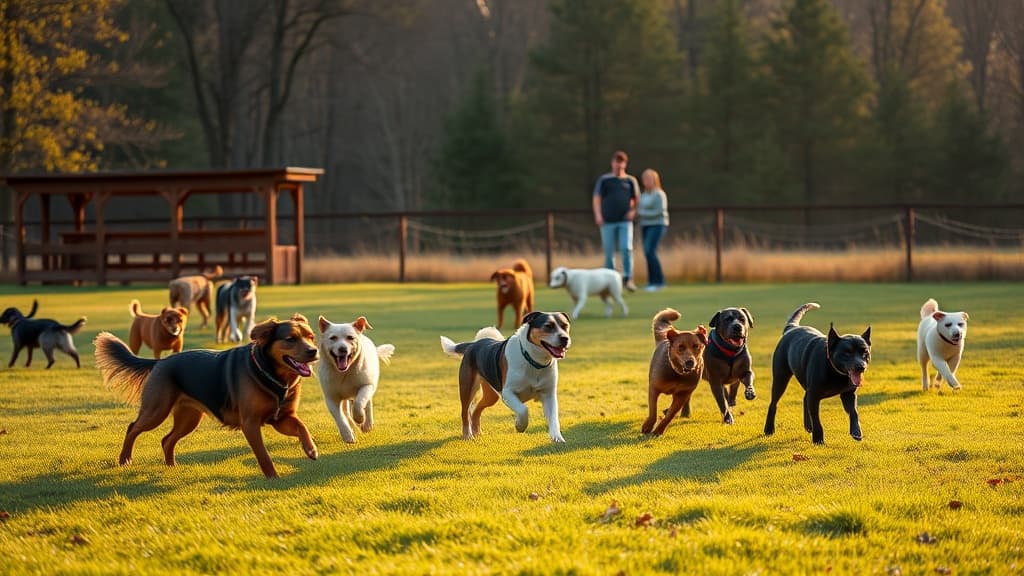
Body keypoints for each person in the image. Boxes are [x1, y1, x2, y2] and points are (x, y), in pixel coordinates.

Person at [592, 150, 640, 292]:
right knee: (609, 252)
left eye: (621, 163)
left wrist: (633, 211)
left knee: (626, 248)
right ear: (612, 163)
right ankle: (609, 283)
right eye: (616, 162)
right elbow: (596, 199)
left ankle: (628, 279)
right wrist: (598, 215)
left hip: (624, 221)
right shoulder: (604, 180)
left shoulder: (630, 181)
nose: (618, 166)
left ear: (625, 164)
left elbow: (637, 199)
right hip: (607, 221)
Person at [637, 168, 669, 291]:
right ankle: (651, 282)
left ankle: (659, 282)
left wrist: (641, 213)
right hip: (645, 225)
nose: (647, 181)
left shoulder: (659, 194)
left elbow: (659, 211)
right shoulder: (643, 195)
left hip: (658, 224)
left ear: (655, 180)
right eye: (645, 179)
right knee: (647, 253)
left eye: (649, 179)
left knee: (650, 250)